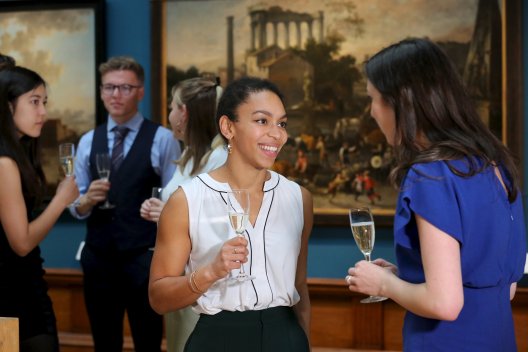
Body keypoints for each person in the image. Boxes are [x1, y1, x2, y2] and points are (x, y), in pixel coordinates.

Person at [345, 38, 527, 351]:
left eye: (372, 99)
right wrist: (404, 276)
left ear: (401, 101)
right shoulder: (496, 165)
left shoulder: (430, 176)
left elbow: (445, 303)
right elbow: (501, 287)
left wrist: (384, 284)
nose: (372, 113)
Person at [149, 76, 312, 352]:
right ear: (228, 127)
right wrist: (210, 272)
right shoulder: (187, 201)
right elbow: (158, 298)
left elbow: (299, 287)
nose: (277, 134)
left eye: (282, 123)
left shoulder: (299, 198)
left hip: (286, 337)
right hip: (217, 340)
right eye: (262, 121)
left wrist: (304, 342)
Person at [70, 56, 181, 352]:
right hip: (98, 258)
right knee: (104, 343)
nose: (116, 95)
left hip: (143, 260)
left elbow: (177, 201)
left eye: (125, 88)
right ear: (101, 91)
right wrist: (85, 201)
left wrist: (163, 211)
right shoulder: (86, 142)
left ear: (140, 92)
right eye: (109, 87)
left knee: (148, 341)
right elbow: (75, 206)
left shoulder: (163, 139)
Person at [139, 77, 227, 352]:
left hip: (204, 279)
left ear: (184, 114)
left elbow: (221, 222)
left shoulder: (219, 159)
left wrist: (167, 213)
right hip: (178, 273)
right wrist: (161, 213)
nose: (169, 114)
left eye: (172, 107)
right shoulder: (189, 155)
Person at [0, 62, 79, 351]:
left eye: (44, 102)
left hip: (21, 288)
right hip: (12, 295)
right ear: (8, 106)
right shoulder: (5, 162)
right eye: (34, 102)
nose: (43, 112)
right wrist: (60, 200)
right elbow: (21, 243)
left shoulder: (16, 154)